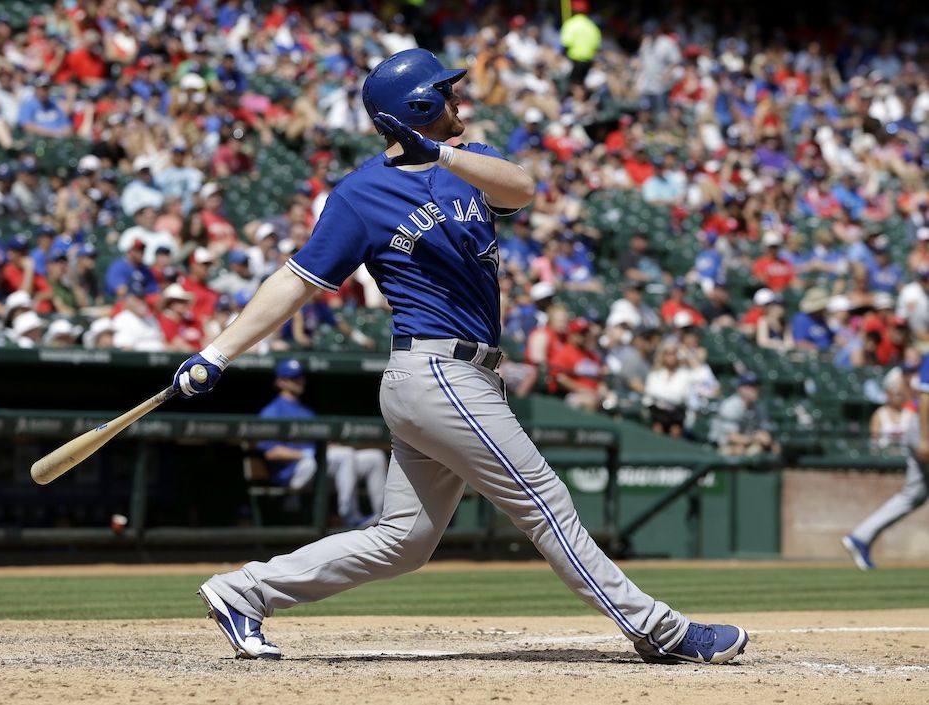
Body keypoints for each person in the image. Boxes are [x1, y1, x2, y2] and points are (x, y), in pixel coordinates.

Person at [174, 49, 747, 664]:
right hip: (435, 372)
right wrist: (218, 351)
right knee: (544, 499)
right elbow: (298, 280)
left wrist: (440, 153)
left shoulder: (469, 166)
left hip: (464, 375)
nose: (458, 101)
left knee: (404, 542)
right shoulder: (361, 194)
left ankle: (243, 591)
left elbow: (524, 188)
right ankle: (660, 630)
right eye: (444, 94)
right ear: (417, 107)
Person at [258, 360, 388, 526]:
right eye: (293, 378)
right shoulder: (272, 411)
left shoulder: (306, 410)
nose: (299, 381)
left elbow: (317, 444)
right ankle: (349, 516)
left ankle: (383, 519)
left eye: (300, 377)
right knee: (345, 454)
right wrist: (307, 453)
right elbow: (271, 452)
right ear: (280, 382)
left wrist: (326, 448)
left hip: (320, 467)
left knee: (374, 457)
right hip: (294, 472)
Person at [843, 353, 929, 571]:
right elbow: (926, 396)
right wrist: (926, 439)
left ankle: (861, 537)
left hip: (918, 428)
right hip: (925, 429)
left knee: (914, 494)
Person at [708, 373, 779, 456]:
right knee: (739, 449)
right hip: (720, 446)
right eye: (749, 386)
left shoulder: (759, 406)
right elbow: (731, 437)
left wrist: (765, 437)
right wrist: (755, 438)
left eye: (756, 386)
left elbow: (762, 429)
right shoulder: (730, 405)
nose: (754, 389)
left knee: (774, 447)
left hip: (746, 443)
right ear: (740, 389)